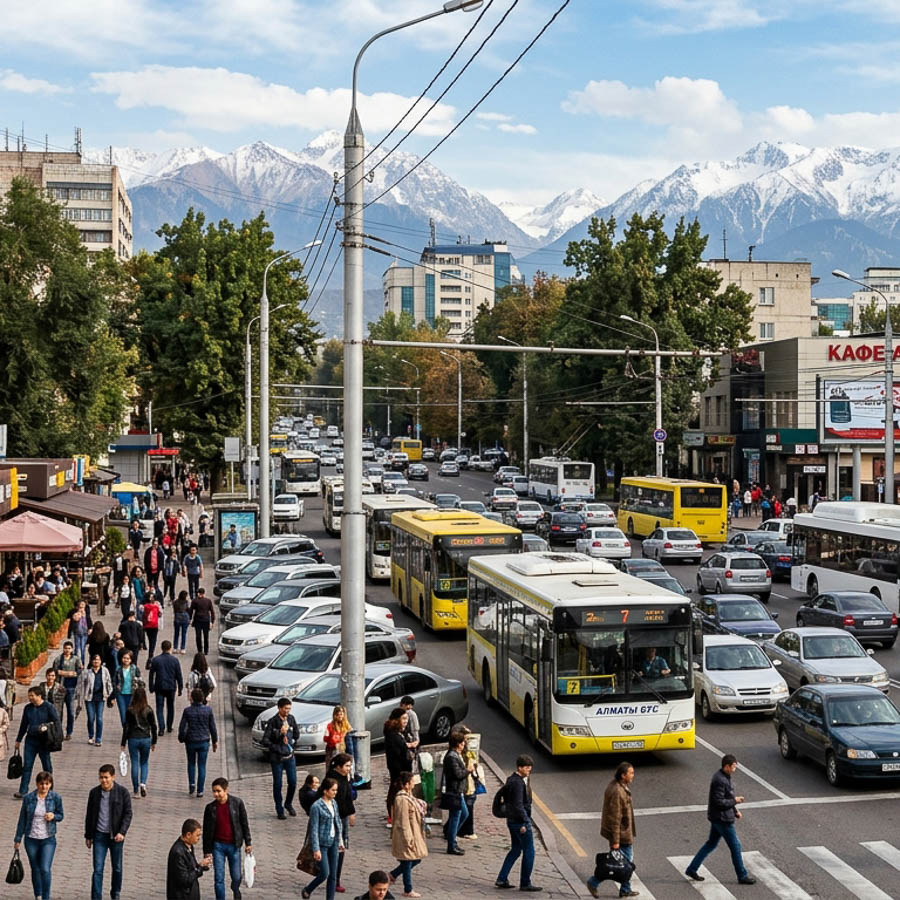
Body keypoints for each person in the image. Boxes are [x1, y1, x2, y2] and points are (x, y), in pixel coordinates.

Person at [685, 754, 755, 885]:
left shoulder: (724, 777)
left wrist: (735, 811)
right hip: (722, 819)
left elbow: (727, 796)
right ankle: (742, 875)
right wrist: (735, 801)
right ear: (727, 766)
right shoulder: (720, 780)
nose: (735, 769)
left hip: (719, 817)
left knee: (711, 844)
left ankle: (692, 869)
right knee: (735, 846)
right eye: (734, 766)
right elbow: (719, 802)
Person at [588, 761, 637, 898]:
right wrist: (615, 841)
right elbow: (615, 818)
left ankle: (625, 889)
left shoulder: (619, 786)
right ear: (623, 775)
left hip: (622, 833)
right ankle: (594, 882)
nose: (633, 775)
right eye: (631, 773)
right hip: (621, 834)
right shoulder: (617, 791)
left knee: (621, 863)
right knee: (619, 864)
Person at [85, 763, 133, 900]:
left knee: (117, 867)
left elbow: (128, 814)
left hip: (116, 836)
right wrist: (88, 835)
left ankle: (115, 893)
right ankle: (96, 896)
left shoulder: (122, 792)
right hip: (99, 835)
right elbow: (89, 815)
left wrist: (122, 832)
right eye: (101, 778)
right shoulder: (94, 793)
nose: (103, 781)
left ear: (113, 777)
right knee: (97, 869)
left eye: (106, 777)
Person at [495, 754, 541, 892]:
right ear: (519, 767)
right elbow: (518, 804)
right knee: (529, 851)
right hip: (520, 822)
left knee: (515, 849)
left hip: (513, 820)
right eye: (527, 768)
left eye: (530, 767)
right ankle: (525, 882)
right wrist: (525, 821)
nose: (529, 770)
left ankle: (502, 878)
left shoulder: (513, 779)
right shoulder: (518, 783)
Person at [14, 771, 63, 900]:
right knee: (35, 868)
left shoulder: (55, 797)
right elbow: (22, 819)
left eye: (47, 784)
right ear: (37, 784)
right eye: (41, 784)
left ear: (50, 784)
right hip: (31, 839)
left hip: (48, 839)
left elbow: (60, 815)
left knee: (45, 868)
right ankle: (38, 895)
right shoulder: (29, 798)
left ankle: (46, 896)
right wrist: (18, 838)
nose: (44, 787)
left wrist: (53, 816)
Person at [203, 777, 252, 900]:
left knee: (236, 876)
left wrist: (248, 842)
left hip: (234, 845)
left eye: (218, 791)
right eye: (214, 791)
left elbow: (244, 823)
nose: (216, 794)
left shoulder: (237, 803)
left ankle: (235, 888)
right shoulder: (210, 808)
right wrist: (207, 852)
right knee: (219, 878)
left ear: (226, 790)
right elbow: (207, 831)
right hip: (217, 846)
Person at [302, 776, 344, 900]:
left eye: (336, 790)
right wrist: (316, 849)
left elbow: (337, 822)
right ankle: (308, 889)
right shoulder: (317, 806)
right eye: (333, 790)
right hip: (322, 844)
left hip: (333, 842)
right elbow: (313, 829)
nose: (335, 793)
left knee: (333, 875)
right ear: (325, 791)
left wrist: (340, 840)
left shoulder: (334, 803)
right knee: (324, 873)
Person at [14, 686, 60, 798]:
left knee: (47, 765)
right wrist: (18, 739)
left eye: (32, 695)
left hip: (44, 741)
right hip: (31, 740)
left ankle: (49, 789)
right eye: (29, 696)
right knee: (27, 766)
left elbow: (56, 722)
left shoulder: (48, 707)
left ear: (39, 696)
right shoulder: (28, 708)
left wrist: (51, 732)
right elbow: (24, 724)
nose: (30, 698)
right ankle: (23, 790)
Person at [321, 752, 356, 892]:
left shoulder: (344, 777)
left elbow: (348, 797)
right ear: (339, 766)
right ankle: (332, 878)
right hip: (333, 820)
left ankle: (335, 878)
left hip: (342, 818)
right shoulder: (332, 780)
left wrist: (351, 812)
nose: (349, 768)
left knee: (340, 849)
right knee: (335, 850)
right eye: (347, 766)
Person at [389, 771, 427, 899]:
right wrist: (408, 838)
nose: (413, 784)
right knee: (407, 860)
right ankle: (408, 888)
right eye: (411, 781)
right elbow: (403, 821)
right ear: (406, 784)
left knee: (416, 858)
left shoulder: (408, 796)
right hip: (407, 834)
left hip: (414, 832)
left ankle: (393, 875)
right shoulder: (402, 799)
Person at [263, 696, 300, 819]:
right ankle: (279, 809)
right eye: (285, 709)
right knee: (278, 784)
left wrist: (293, 740)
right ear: (279, 708)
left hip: (289, 756)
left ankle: (288, 803)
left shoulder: (291, 719)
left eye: (289, 709)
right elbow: (265, 740)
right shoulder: (273, 721)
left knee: (293, 782)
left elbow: (296, 734)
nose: (287, 711)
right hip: (277, 757)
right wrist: (280, 734)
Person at [178, 687, 218, 798]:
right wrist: (215, 741)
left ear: (192, 698)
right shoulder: (208, 710)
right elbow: (212, 727)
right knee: (202, 765)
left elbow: (182, 727)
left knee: (191, 763)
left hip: (191, 741)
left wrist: (181, 738)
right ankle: (200, 790)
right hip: (204, 741)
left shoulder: (187, 711)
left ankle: (191, 784)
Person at [120, 686, 157, 798]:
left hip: (133, 738)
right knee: (144, 762)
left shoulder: (130, 710)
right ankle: (143, 783)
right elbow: (154, 726)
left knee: (134, 763)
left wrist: (123, 742)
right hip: (145, 738)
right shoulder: (148, 709)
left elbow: (126, 727)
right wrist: (154, 741)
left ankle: (135, 790)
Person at [442, 731, 472, 855]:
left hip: (458, 791)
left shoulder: (455, 755)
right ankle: (451, 843)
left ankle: (450, 834)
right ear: (458, 744)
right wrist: (468, 770)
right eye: (463, 743)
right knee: (456, 817)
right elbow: (458, 774)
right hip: (454, 791)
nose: (464, 745)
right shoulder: (451, 757)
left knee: (464, 814)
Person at [166, 818, 211, 900]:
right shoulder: (178, 852)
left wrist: (202, 866)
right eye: (197, 835)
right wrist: (199, 867)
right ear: (188, 835)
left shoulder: (189, 846)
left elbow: (191, 868)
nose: (199, 838)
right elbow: (185, 880)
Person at [78, 653, 114, 747]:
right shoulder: (87, 672)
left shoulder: (105, 671)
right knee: (91, 718)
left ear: (101, 661)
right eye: (94, 660)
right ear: (91, 661)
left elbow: (109, 683)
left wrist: (108, 694)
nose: (96, 661)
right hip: (89, 698)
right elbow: (81, 684)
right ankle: (91, 736)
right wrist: (79, 697)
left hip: (101, 698)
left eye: (98, 660)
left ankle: (98, 738)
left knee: (99, 718)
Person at [149, 640, 184, 734]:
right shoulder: (175, 660)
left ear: (162, 648)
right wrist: (180, 687)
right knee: (170, 707)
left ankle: (161, 728)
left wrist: (151, 686)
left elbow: (151, 674)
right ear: (170, 648)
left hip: (159, 686)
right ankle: (169, 726)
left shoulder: (156, 660)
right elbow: (178, 675)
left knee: (159, 708)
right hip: (171, 687)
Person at [383, 708, 412, 819]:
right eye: (403, 718)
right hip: (398, 770)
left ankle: (395, 814)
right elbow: (397, 755)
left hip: (400, 768)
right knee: (395, 792)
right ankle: (393, 815)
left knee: (395, 791)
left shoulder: (398, 733)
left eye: (406, 718)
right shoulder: (393, 736)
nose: (406, 721)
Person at [53, 640, 83, 740]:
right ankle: (59, 731)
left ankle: (69, 731)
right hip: (60, 687)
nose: (67, 650)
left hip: (71, 688)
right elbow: (54, 671)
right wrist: (66, 673)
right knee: (58, 711)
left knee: (70, 711)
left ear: (72, 649)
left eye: (69, 648)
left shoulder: (76, 659)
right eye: (66, 648)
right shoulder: (58, 659)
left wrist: (70, 673)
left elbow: (79, 671)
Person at [113, 650, 143, 725]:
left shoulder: (135, 669)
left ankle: (130, 733)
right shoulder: (118, 669)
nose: (126, 660)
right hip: (120, 694)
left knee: (132, 714)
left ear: (131, 659)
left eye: (128, 658)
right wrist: (113, 695)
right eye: (124, 658)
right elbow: (114, 681)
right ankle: (126, 730)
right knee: (123, 716)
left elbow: (140, 681)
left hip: (132, 694)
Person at [324, 704, 351, 770]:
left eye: (341, 714)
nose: (340, 716)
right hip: (332, 749)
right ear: (335, 715)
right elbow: (325, 738)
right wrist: (334, 741)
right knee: (332, 768)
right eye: (338, 715)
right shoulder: (330, 726)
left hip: (342, 749)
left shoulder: (346, 725)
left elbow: (350, 732)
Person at [189, 586, 214, 655]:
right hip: (206, 620)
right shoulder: (208, 601)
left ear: (198, 593)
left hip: (198, 620)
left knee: (198, 636)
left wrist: (190, 619)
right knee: (206, 636)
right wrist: (212, 621)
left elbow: (191, 610)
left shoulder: (194, 601)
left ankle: (200, 650)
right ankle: (206, 651)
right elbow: (212, 611)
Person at [142, 590, 164, 665]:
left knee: (150, 639)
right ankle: (150, 655)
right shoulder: (156, 606)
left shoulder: (144, 606)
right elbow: (160, 614)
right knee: (153, 641)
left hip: (148, 625)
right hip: (154, 625)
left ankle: (150, 655)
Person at [173, 588, 191, 654]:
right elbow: (189, 610)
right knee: (184, 634)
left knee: (176, 633)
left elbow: (174, 611)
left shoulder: (175, 602)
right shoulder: (186, 602)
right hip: (185, 619)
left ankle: (175, 648)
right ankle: (182, 648)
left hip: (177, 618)